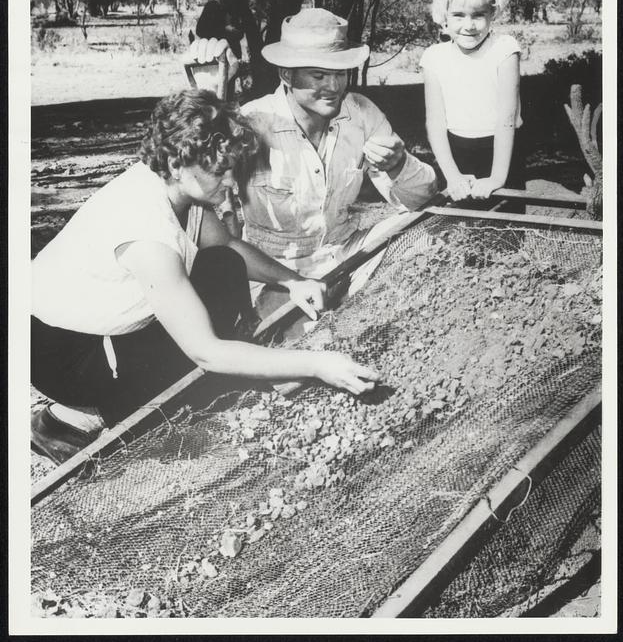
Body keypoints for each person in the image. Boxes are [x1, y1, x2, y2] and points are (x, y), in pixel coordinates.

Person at [30, 90, 379, 465]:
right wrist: (316, 363)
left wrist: (294, 281)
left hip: (102, 325)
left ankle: (166, 390)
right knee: (201, 376)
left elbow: (229, 245)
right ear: (178, 163)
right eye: (218, 170)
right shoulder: (148, 234)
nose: (231, 181)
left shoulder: (177, 189)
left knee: (222, 263)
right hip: (60, 351)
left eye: (232, 167)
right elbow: (206, 351)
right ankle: (71, 419)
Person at [189, 8, 437, 297]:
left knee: (422, 234)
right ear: (286, 74)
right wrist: (207, 92)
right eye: (318, 75)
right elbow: (198, 181)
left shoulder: (362, 114)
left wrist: (399, 165)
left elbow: (422, 199)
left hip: (346, 254)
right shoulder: (253, 122)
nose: (333, 87)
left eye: (340, 73)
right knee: (295, 331)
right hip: (274, 270)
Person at [420, 0, 524, 205]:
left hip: (502, 153)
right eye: (458, 15)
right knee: (461, 234)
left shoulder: (505, 50)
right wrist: (453, 176)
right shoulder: (434, 58)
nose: (468, 25)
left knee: (506, 234)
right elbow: (435, 122)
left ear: (492, 13)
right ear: (443, 15)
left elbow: (507, 119)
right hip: (456, 154)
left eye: (478, 15)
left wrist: (496, 178)